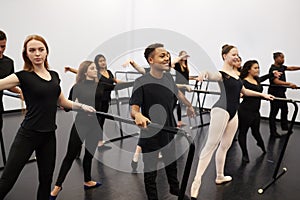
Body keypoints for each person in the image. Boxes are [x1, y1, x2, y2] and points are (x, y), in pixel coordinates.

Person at [0, 35, 95, 200]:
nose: (37, 53)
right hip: (28, 135)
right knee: (7, 180)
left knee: (46, 181)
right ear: (26, 54)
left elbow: (63, 101)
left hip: (49, 136)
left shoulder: (54, 75)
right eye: (32, 50)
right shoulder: (21, 76)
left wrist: (81, 107)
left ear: (46, 52)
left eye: (40, 49)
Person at [190, 45, 274, 200]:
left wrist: (263, 96)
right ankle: (196, 181)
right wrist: (203, 73)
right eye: (233, 54)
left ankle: (220, 176)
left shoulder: (236, 75)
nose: (237, 56)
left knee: (225, 147)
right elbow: (211, 74)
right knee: (211, 145)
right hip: (221, 110)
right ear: (224, 56)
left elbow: (244, 92)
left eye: (238, 54)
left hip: (233, 113)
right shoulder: (223, 74)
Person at [130, 43, 195, 200]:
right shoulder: (141, 82)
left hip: (169, 131)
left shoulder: (167, 78)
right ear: (151, 60)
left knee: (171, 166)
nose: (167, 58)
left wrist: (189, 105)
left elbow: (178, 94)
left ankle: (175, 189)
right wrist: (137, 115)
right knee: (150, 172)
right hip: (151, 134)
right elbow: (134, 109)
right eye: (162, 56)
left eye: (167, 55)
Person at [50, 61, 109, 199]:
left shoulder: (101, 85)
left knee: (89, 155)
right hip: (81, 124)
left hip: (96, 125)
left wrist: (141, 80)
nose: (96, 70)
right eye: (93, 68)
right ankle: (57, 187)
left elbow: (118, 85)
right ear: (85, 72)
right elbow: (68, 105)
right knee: (70, 156)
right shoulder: (77, 87)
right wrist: (63, 105)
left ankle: (88, 181)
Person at [65, 54, 122, 149]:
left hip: (103, 105)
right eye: (100, 61)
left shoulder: (107, 75)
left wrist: (135, 83)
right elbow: (82, 72)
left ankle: (100, 142)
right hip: (88, 112)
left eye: (104, 60)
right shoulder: (91, 77)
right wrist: (71, 69)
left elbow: (116, 84)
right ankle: (78, 148)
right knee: (74, 148)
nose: (103, 62)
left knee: (100, 122)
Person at [238, 60, 269, 163]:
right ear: (248, 70)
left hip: (255, 112)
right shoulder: (243, 82)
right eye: (255, 68)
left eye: (258, 67)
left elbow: (263, 78)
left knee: (256, 131)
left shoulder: (257, 80)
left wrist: (272, 74)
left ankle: (261, 145)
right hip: (245, 111)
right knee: (243, 132)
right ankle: (245, 154)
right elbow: (241, 92)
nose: (258, 70)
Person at [0, 30, 22, 166]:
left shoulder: (8, 63)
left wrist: (21, 93)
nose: (0, 50)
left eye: (3, 46)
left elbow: (9, 84)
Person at [268, 52, 300, 138]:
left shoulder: (281, 67)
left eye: (283, 57)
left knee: (285, 109)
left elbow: (291, 68)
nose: (283, 59)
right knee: (274, 113)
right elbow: (276, 81)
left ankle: (285, 127)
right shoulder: (273, 69)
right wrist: (289, 84)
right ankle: (273, 132)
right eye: (281, 58)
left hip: (281, 93)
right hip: (274, 93)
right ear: (276, 58)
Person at [172, 50, 191, 128]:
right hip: (178, 86)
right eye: (183, 55)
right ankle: (167, 118)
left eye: (185, 55)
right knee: (173, 103)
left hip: (184, 86)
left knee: (180, 103)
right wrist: (180, 57)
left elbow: (185, 76)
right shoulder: (177, 65)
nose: (185, 56)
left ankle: (179, 122)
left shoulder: (186, 65)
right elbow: (171, 63)